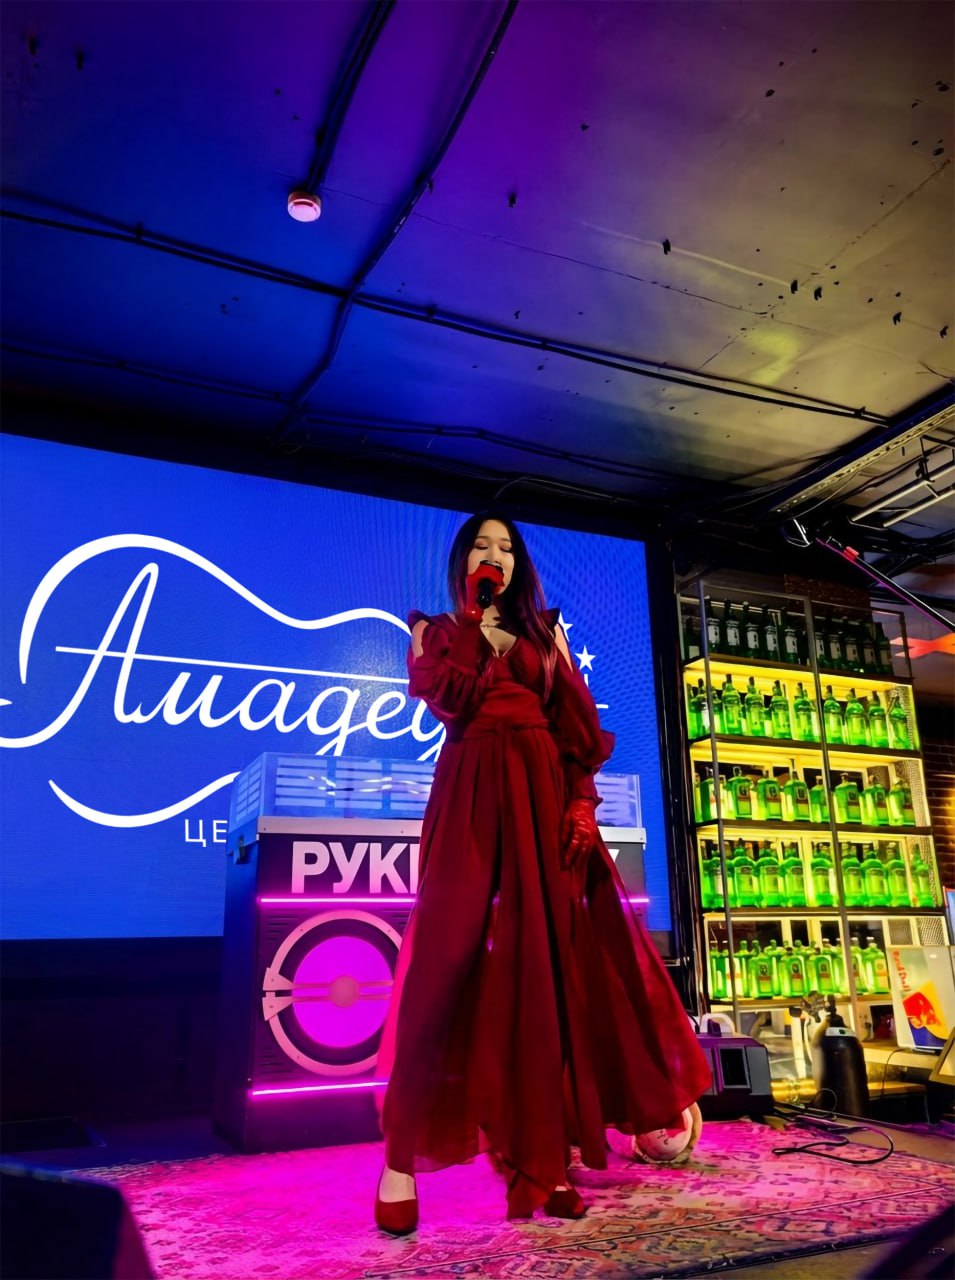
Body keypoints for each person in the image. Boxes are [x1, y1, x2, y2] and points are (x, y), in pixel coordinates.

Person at [374, 513, 711, 1234]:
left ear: (519, 564)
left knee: (545, 973)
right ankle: (398, 1161)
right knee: (440, 973)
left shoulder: (545, 634)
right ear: (462, 561)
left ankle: (544, 1159)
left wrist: (582, 803)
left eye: (505, 547)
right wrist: (474, 628)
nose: (493, 556)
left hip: (541, 796)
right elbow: (449, 697)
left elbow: (576, 730)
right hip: (470, 798)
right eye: (481, 546)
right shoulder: (435, 632)